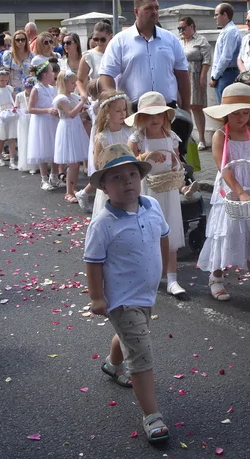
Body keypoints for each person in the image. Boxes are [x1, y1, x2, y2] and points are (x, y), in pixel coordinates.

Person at [84, 143, 171, 445]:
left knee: (131, 335)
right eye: (117, 178)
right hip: (121, 298)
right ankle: (152, 415)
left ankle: (112, 364)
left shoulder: (152, 206)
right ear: (105, 187)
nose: (127, 182)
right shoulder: (103, 224)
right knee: (141, 351)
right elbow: (93, 263)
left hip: (146, 293)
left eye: (132, 174)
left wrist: (161, 272)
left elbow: (162, 238)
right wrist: (97, 297)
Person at [198, 83, 250, 312]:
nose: (242, 117)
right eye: (236, 113)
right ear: (225, 114)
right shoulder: (220, 136)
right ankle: (216, 277)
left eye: (246, 112)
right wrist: (240, 192)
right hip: (231, 193)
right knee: (226, 234)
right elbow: (224, 169)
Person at [98, 0, 191, 156]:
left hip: (166, 110)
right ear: (136, 11)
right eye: (149, 8)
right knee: (136, 159)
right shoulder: (120, 41)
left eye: (156, 8)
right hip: (133, 113)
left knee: (170, 158)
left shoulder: (170, 40)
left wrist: (186, 108)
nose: (154, 12)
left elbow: (182, 75)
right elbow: (106, 75)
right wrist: (115, 104)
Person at [128, 92, 187, 300]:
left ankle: (172, 278)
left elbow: (176, 161)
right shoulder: (138, 138)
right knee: (146, 233)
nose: (155, 119)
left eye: (159, 115)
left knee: (169, 230)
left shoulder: (170, 137)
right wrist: (147, 156)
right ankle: (146, 275)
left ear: (165, 116)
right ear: (141, 118)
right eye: (150, 115)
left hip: (167, 189)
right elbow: (128, 161)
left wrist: (176, 171)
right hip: (146, 190)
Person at [88, 91, 133, 213]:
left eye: (124, 109)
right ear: (107, 113)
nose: (123, 113)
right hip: (112, 180)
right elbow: (97, 163)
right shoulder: (103, 137)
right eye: (118, 111)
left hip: (130, 178)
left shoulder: (130, 131)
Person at [53, 70, 89, 201]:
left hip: (75, 127)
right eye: (72, 82)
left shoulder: (72, 96)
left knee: (76, 162)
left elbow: (77, 115)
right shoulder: (61, 98)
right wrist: (82, 102)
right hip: (67, 128)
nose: (75, 85)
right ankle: (68, 192)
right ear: (64, 83)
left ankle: (73, 188)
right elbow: (71, 114)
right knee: (72, 162)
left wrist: (88, 112)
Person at [179, 16, 212, 150]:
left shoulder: (200, 40)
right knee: (184, 106)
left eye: (183, 28)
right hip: (182, 76)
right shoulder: (178, 41)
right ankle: (188, 136)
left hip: (195, 75)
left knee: (196, 107)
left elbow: (206, 60)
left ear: (191, 26)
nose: (181, 31)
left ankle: (202, 138)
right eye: (179, 28)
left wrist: (203, 77)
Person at [27, 58, 61, 189]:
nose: (54, 74)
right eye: (52, 71)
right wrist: (47, 110)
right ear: (45, 75)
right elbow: (30, 109)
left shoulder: (52, 88)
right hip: (41, 122)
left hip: (52, 121)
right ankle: (44, 179)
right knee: (42, 148)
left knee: (53, 147)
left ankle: (54, 176)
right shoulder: (36, 89)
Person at [209, 2, 242, 101]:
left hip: (227, 74)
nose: (215, 17)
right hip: (223, 74)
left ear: (224, 15)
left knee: (226, 108)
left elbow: (225, 57)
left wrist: (215, 77)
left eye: (216, 14)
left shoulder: (230, 32)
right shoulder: (226, 30)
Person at [0, 69, 19, 169]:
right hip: (0, 114)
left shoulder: (10, 88)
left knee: (12, 138)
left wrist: (15, 108)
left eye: (6, 80)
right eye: (2, 80)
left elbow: (14, 101)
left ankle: (12, 160)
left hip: (10, 114)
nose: (4, 82)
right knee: (1, 137)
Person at [77, 22, 112, 97]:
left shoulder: (118, 52)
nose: (98, 42)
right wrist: (83, 94)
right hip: (98, 98)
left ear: (110, 37)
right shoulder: (89, 56)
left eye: (102, 39)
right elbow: (80, 80)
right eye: (96, 39)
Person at [15, 77, 34, 173]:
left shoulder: (35, 95)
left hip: (33, 118)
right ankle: (25, 163)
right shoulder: (19, 96)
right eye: (27, 87)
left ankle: (34, 165)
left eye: (30, 88)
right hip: (23, 119)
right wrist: (16, 110)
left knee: (33, 141)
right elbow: (16, 107)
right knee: (24, 141)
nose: (29, 90)